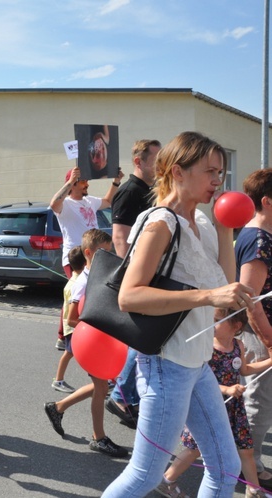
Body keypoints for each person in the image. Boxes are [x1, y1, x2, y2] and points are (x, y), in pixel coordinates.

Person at [102, 131, 252, 497]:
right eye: (211, 171)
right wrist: (208, 295)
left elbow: (225, 289)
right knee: (144, 475)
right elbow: (130, 296)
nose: (219, 181)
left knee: (226, 466)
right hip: (166, 364)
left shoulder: (201, 223)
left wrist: (224, 228)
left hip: (197, 363)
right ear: (177, 171)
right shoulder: (159, 222)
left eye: (222, 173)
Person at [156, 308, 272, 498]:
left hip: (233, 407)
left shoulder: (238, 346)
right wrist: (226, 389)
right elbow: (197, 379)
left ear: (236, 326)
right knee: (195, 448)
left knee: (246, 448)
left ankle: (254, 490)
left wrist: (269, 362)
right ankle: (167, 479)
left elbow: (244, 369)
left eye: (217, 320)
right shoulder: (207, 347)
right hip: (207, 405)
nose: (210, 323)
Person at [44, 229, 128, 457]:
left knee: (102, 386)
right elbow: (71, 317)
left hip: (98, 338)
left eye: (110, 252)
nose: (109, 257)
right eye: (104, 252)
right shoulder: (83, 282)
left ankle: (58, 407)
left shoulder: (99, 276)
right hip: (85, 339)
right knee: (102, 388)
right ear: (89, 253)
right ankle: (98, 438)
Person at [106, 139, 161, 429]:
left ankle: (127, 394)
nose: (161, 163)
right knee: (141, 337)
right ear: (139, 162)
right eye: (156, 158)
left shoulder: (152, 190)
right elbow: (119, 238)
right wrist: (134, 276)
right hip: (138, 277)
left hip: (151, 273)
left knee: (144, 337)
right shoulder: (129, 192)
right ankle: (121, 395)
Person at [49, 165, 122, 350]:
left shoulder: (90, 201)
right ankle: (64, 335)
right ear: (73, 184)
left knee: (83, 294)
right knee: (76, 294)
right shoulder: (65, 204)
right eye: (82, 181)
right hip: (75, 256)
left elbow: (107, 201)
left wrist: (116, 182)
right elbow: (53, 204)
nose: (86, 184)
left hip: (94, 254)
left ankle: (76, 329)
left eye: (86, 181)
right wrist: (69, 182)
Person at [235, 168, 272, 490]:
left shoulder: (259, 235)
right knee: (259, 402)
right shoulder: (258, 239)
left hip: (263, 333)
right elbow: (251, 298)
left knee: (261, 401)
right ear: (267, 201)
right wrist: (270, 340)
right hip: (261, 335)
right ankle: (251, 469)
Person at [51, 246, 85, 393]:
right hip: (73, 325)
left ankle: (59, 380)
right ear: (85, 264)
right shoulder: (78, 284)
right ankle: (58, 380)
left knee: (70, 352)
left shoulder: (74, 280)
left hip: (71, 325)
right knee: (69, 353)